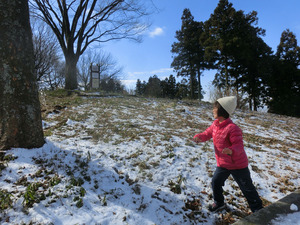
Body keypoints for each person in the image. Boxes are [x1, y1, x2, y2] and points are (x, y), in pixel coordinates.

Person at [193, 96, 263, 213]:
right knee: (216, 182)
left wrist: (231, 150)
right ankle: (219, 202)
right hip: (223, 164)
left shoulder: (232, 128)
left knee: (247, 188)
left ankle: (258, 210)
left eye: (214, 108)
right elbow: (207, 133)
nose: (213, 110)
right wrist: (199, 137)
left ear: (222, 110)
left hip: (238, 165)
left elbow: (239, 145)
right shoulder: (215, 125)